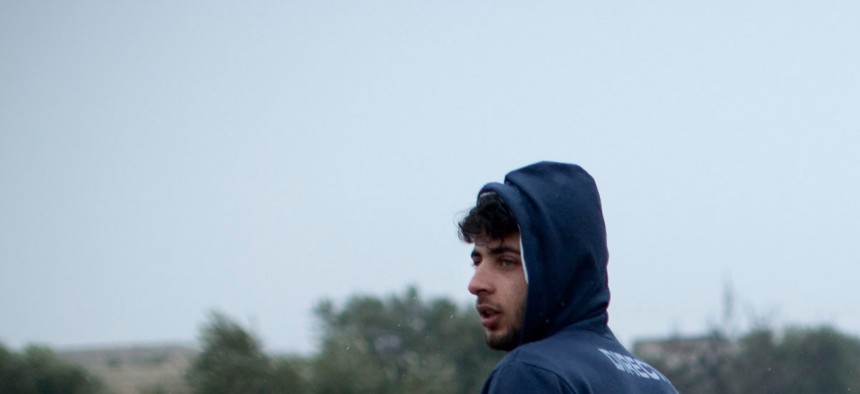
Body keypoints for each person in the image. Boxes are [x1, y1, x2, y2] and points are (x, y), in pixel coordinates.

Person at [459, 161, 678, 394]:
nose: (476, 284)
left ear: (559, 267)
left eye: (506, 261)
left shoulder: (532, 374)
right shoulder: (658, 384)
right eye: (477, 262)